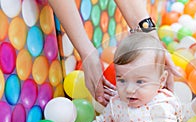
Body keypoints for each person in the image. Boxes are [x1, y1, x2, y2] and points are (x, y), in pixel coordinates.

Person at [48, 0, 180, 106]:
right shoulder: (116, 108)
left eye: (140, 81)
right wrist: (86, 51)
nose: (129, 90)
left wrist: (152, 39)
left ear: (161, 80)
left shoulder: (166, 103)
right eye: (121, 80)